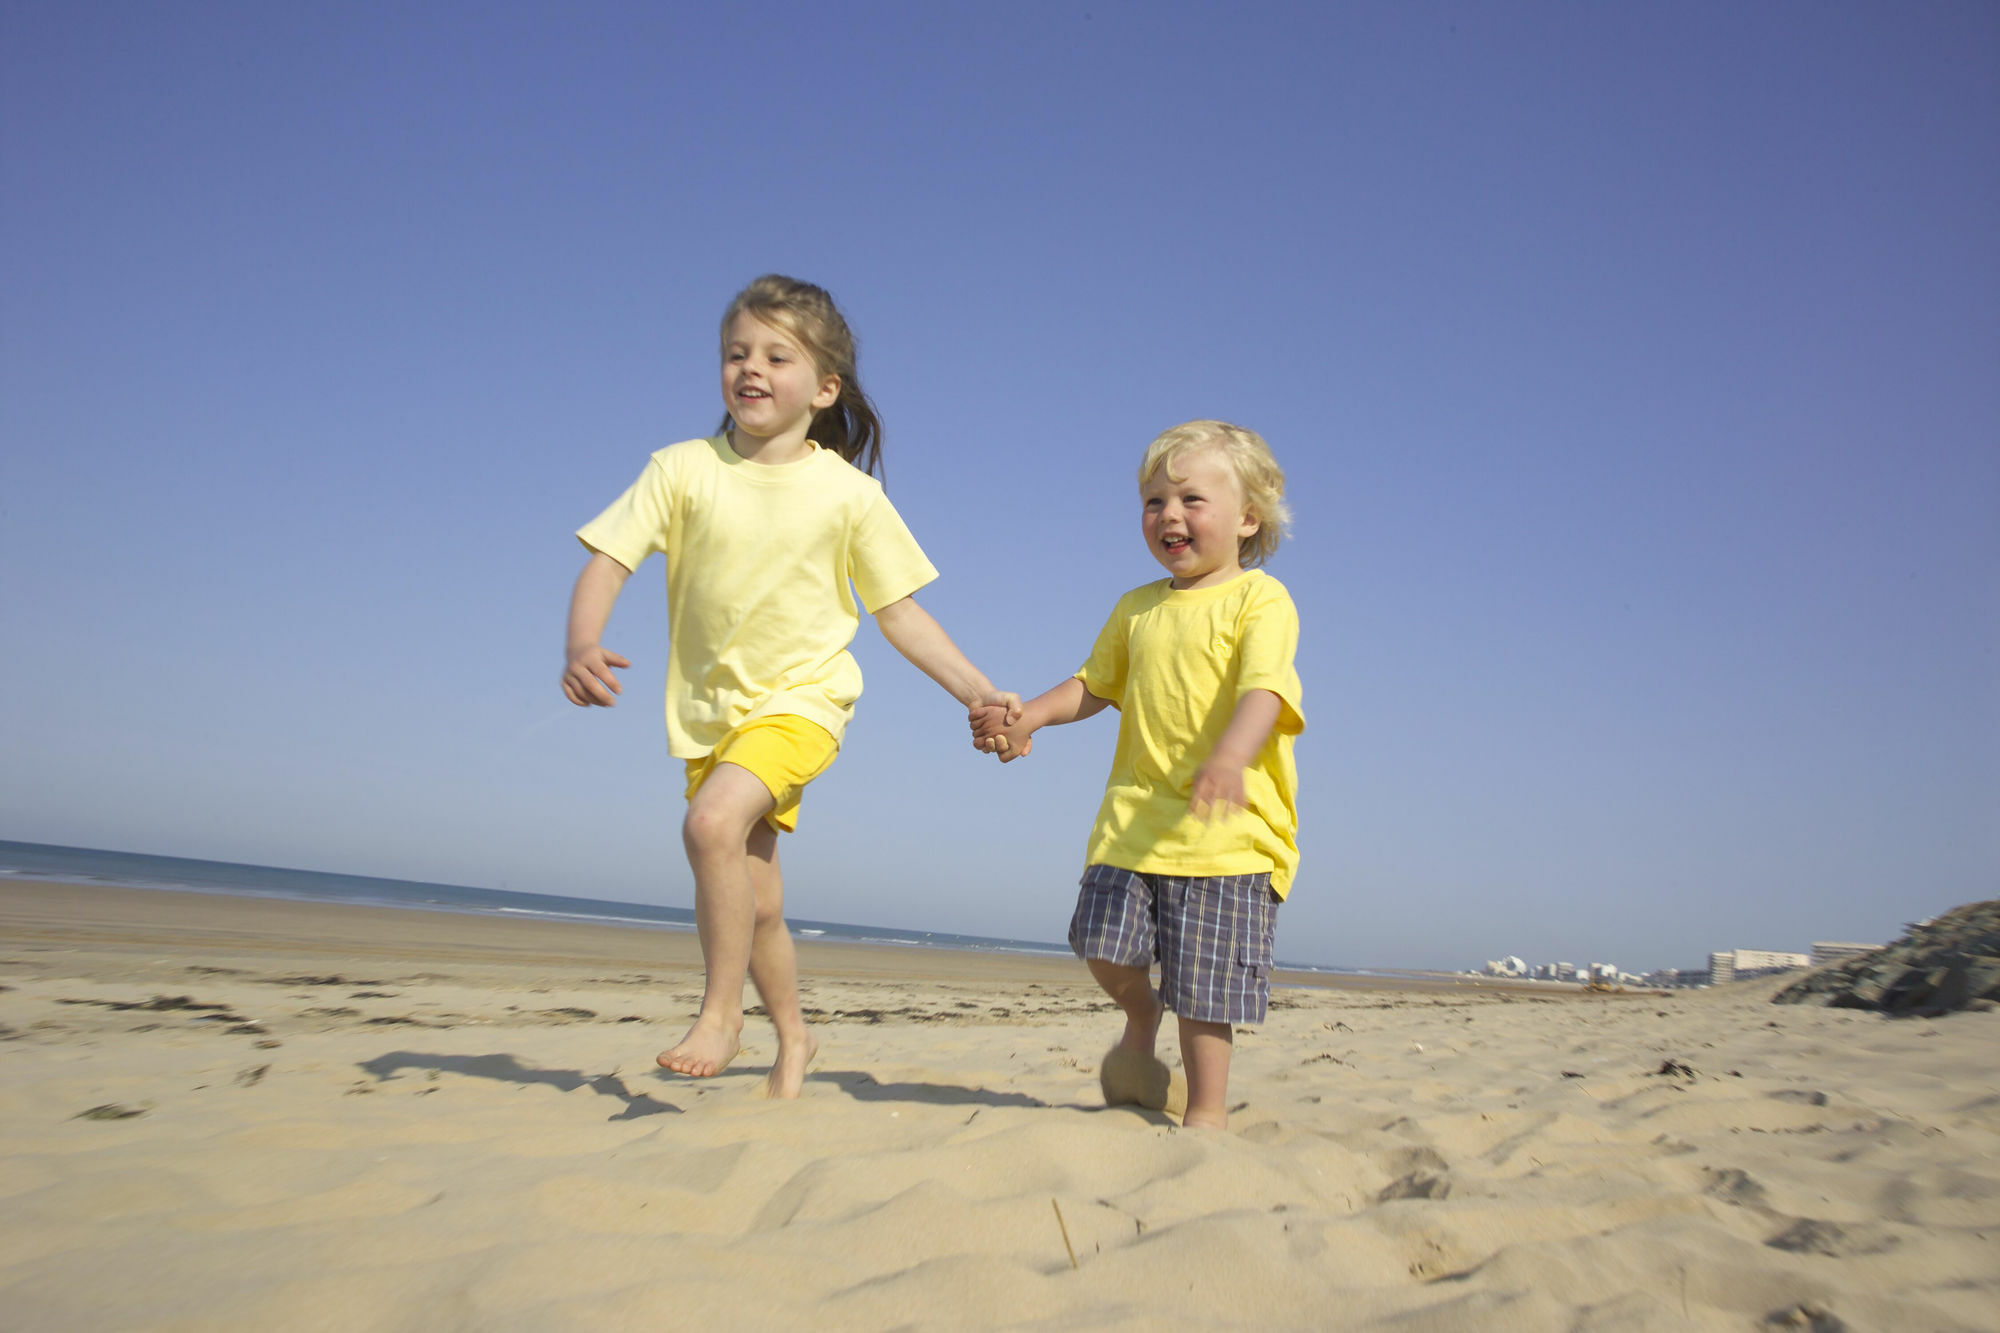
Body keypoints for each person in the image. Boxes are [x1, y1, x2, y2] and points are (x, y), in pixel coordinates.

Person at [563, 274, 1017, 1099]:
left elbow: (902, 614)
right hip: (710, 716)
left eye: (778, 354)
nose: (751, 368)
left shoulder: (849, 493)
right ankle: (797, 1037)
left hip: (804, 702)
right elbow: (610, 558)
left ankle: (722, 1015)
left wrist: (980, 691)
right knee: (757, 896)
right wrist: (583, 639)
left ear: (825, 387)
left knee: (709, 827)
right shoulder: (681, 469)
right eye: (737, 353)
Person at [971, 420, 1303, 1130]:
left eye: (1191, 498)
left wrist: (1229, 757)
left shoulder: (1260, 600)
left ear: (1248, 517)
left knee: (1207, 994)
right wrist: (1029, 715)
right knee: (1100, 943)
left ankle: (1206, 1114)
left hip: (1226, 835)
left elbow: (1265, 692)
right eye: (1154, 501)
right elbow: (1094, 684)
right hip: (1133, 822)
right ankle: (1139, 1012)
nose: (1169, 515)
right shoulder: (1137, 606)